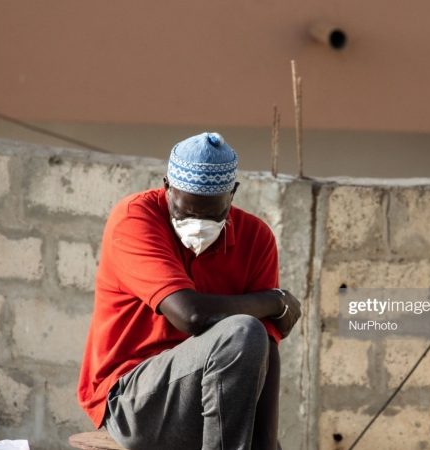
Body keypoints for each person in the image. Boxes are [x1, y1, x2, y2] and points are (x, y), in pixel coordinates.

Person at [77, 131, 302, 450]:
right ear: (167, 188)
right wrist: (272, 301)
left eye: (211, 214)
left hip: (214, 402)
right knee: (241, 331)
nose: (198, 224)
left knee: (250, 336)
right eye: (185, 211)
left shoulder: (256, 239)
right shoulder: (135, 218)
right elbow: (191, 314)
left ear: (232, 194)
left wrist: (267, 444)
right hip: (132, 401)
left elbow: (265, 346)